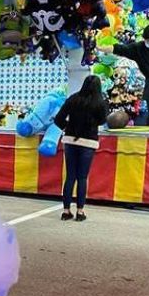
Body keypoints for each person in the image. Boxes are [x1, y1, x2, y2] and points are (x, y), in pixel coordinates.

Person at [52, 76, 109, 222]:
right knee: (82, 177)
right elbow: (103, 120)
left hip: (70, 140)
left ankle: (65, 211)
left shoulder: (73, 99)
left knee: (70, 176)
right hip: (88, 142)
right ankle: (80, 212)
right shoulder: (99, 103)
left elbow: (58, 119)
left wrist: (68, 128)